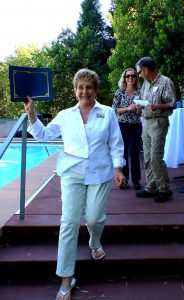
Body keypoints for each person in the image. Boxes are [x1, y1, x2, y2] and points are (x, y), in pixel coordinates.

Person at [24, 68, 126, 300]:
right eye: (80, 87)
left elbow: (115, 143)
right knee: (68, 223)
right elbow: (44, 135)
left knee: (94, 218)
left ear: (96, 90)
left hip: (100, 173)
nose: (84, 91)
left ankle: (94, 240)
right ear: (75, 90)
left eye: (89, 87)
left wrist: (118, 168)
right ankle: (66, 279)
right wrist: (32, 116)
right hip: (71, 174)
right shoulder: (65, 115)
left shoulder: (107, 113)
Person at [135, 57, 176, 202]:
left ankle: (165, 189)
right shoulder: (145, 83)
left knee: (155, 157)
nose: (139, 75)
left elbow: (172, 103)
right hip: (146, 122)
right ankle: (151, 187)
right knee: (147, 157)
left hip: (159, 122)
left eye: (140, 71)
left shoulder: (165, 81)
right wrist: (139, 106)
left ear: (146, 69)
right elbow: (142, 100)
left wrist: (157, 106)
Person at [112, 68, 142, 190]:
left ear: (136, 78)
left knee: (134, 152)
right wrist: (128, 108)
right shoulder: (119, 92)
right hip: (122, 125)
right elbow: (114, 110)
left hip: (135, 124)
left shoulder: (140, 93)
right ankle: (124, 180)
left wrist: (140, 109)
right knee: (122, 153)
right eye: (127, 76)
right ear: (124, 78)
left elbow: (142, 111)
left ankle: (136, 181)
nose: (130, 78)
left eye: (133, 76)